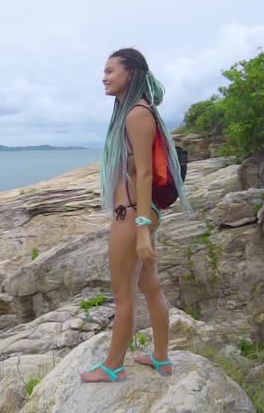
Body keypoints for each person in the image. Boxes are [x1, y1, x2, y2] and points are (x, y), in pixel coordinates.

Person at [79, 48, 192, 383]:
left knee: (123, 293)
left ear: (130, 73)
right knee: (150, 284)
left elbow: (143, 173)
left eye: (110, 70)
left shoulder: (137, 114)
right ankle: (161, 358)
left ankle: (113, 366)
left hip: (132, 215)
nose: (104, 76)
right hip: (136, 212)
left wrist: (141, 228)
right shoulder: (137, 111)